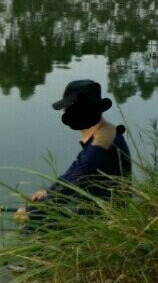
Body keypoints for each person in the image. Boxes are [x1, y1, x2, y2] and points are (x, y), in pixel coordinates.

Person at [15, 79, 131, 225]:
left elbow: (72, 186)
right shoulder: (104, 133)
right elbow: (75, 172)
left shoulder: (98, 148)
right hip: (97, 204)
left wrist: (31, 212)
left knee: (34, 226)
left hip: (107, 218)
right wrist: (49, 192)